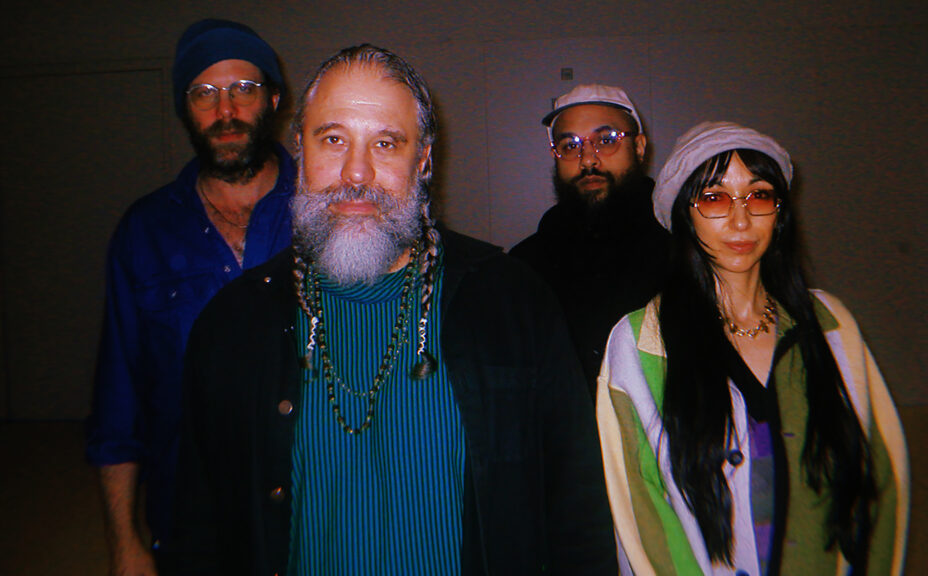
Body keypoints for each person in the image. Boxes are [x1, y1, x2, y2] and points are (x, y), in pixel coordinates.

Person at [170, 44, 615, 575]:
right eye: (333, 139)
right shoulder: (233, 324)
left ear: (422, 160)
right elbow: (199, 526)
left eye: (385, 143)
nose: (356, 173)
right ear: (300, 149)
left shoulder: (515, 301)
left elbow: (577, 512)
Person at [596, 122, 910, 575]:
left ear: (779, 213)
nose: (741, 220)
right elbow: (639, 513)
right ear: (684, 215)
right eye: (714, 198)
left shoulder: (832, 326)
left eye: (759, 195)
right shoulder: (640, 343)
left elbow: (880, 477)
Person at [85, 19, 294, 575]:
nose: (226, 110)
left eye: (243, 88)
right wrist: (125, 542)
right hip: (193, 522)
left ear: (273, 99)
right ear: (185, 108)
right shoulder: (144, 232)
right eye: (204, 93)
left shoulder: (327, 213)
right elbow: (119, 402)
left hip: (317, 513)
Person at [510, 84, 670, 395]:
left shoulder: (683, 250)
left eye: (606, 140)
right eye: (569, 146)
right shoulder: (524, 268)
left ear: (639, 147)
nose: (587, 160)